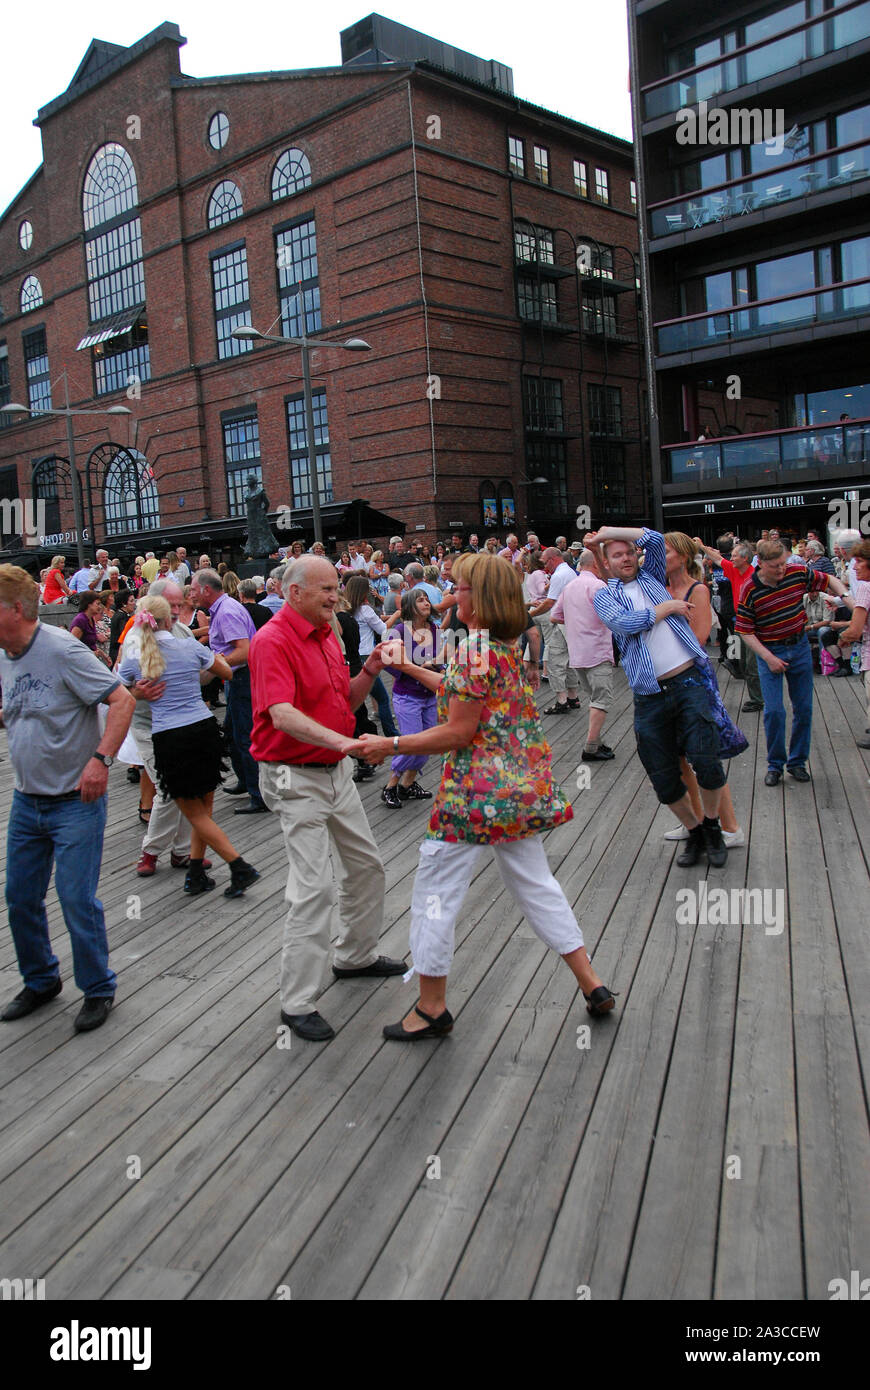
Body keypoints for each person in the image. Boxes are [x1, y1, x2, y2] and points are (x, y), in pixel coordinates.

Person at [354, 552, 616, 1039]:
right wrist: (409, 666)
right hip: (516, 793)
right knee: (537, 884)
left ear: (484, 597)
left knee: (435, 894)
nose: (452, 596)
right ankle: (591, 982)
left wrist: (387, 744)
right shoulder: (500, 646)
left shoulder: (473, 648)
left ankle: (431, 1007)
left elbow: (457, 731)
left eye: (462, 589)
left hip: (472, 798)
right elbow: (463, 694)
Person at [248, 556, 406, 1043]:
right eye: (325, 589)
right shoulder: (272, 641)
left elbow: (346, 705)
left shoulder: (329, 633)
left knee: (366, 867)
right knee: (313, 889)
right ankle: (295, 1003)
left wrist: (372, 668)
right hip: (294, 780)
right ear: (294, 592)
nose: (335, 596)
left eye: (336, 588)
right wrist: (345, 744)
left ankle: (354, 956)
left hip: (334, 771)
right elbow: (281, 715)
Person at [0, 564, 135, 1032]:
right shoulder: (5, 654)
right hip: (25, 801)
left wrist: (101, 760)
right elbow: (21, 708)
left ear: (16, 609)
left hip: (73, 801)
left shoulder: (62, 649)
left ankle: (98, 988)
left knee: (76, 897)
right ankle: (41, 980)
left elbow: (122, 700)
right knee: (19, 897)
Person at [588, 526, 730, 868]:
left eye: (628, 552)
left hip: (688, 681)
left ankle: (712, 826)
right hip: (649, 694)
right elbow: (622, 623)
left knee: (706, 759)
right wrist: (663, 610)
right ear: (606, 563)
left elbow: (652, 538)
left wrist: (609, 532)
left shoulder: (651, 575)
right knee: (662, 775)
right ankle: (694, 830)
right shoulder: (604, 594)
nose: (625, 558)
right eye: (616, 554)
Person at [119, 595, 259, 898]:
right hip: (203, 728)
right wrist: (195, 671)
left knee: (194, 813)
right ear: (170, 619)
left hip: (171, 737)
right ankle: (195, 873)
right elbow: (223, 672)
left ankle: (239, 866)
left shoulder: (137, 657)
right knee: (204, 810)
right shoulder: (189, 646)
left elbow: (117, 692)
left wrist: (138, 692)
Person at [736, 539, 852, 784]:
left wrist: (847, 597)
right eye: (775, 566)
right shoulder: (750, 589)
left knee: (804, 709)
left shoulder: (796, 572)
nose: (781, 570)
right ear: (761, 564)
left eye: (783, 564)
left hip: (798, 646)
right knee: (774, 712)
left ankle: (797, 762)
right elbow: (745, 631)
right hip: (770, 649)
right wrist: (768, 658)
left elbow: (828, 580)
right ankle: (775, 765)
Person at [662, 533, 744, 846]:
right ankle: (694, 823)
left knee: (705, 756)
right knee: (679, 756)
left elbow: (698, 639)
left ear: (683, 557)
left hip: (693, 680)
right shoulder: (660, 588)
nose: (658, 557)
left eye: (665, 551)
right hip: (665, 681)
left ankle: (731, 828)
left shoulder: (698, 590)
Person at [190, 568, 266, 814]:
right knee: (233, 733)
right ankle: (247, 782)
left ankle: (259, 795)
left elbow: (244, 650)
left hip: (243, 678)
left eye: (193, 590)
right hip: (238, 679)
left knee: (244, 736)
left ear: (206, 590)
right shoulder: (225, 608)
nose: (191, 595)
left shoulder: (226, 612)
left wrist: (215, 665)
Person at [549, 548, 615, 761]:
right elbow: (613, 616)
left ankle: (597, 740)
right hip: (597, 650)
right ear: (596, 564)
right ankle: (591, 746)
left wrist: (575, 622)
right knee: (601, 699)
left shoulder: (569, 587)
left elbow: (554, 616)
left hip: (577, 652)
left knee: (593, 698)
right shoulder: (599, 586)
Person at [379, 588, 439, 808]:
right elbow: (387, 661)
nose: (426, 603)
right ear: (410, 606)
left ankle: (407, 785)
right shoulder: (398, 631)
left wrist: (435, 665)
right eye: (420, 600)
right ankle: (390, 786)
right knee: (411, 742)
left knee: (428, 743)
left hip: (429, 695)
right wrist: (413, 669)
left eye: (427, 600)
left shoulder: (433, 628)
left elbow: (439, 656)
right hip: (408, 696)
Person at [344, 574, 399, 739]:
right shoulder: (365, 610)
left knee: (356, 700)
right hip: (367, 655)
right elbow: (383, 629)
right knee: (382, 698)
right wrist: (396, 615)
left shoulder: (345, 610)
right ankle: (391, 733)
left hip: (351, 657)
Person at [529, 547, 582, 714]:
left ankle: (562, 700)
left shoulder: (559, 576)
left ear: (552, 559)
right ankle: (573, 697)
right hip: (571, 622)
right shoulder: (570, 572)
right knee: (569, 661)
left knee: (554, 661)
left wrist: (529, 615)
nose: (545, 567)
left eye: (545, 563)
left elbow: (549, 603)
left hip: (560, 624)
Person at [834, 540, 870, 749]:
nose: (854, 567)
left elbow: (856, 629)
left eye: (859, 561)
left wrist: (843, 638)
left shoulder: (865, 588)